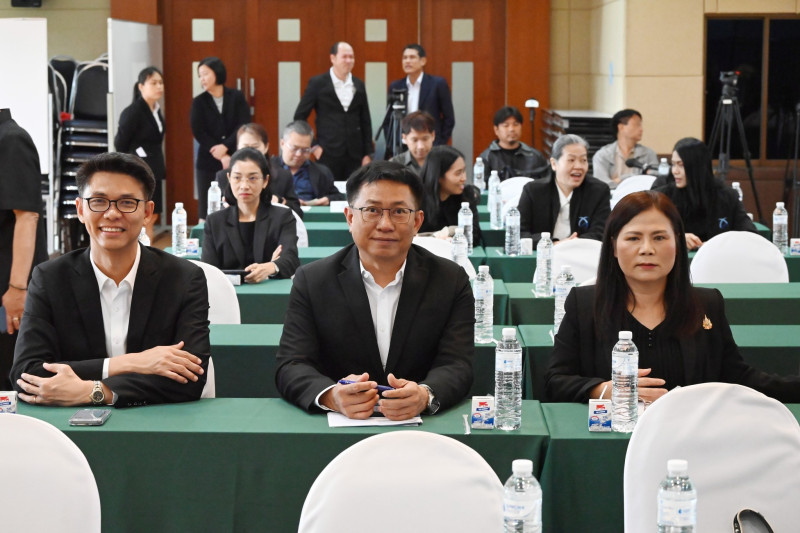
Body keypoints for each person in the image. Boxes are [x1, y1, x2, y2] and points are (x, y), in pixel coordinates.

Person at [545, 190, 800, 404]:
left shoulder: (706, 305)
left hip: (688, 439)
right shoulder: (584, 304)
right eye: (633, 238)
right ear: (613, 246)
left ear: (677, 243)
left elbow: (738, 378)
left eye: (659, 238)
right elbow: (556, 381)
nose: (647, 249)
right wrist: (604, 391)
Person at [275, 161, 474, 420]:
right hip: (339, 427)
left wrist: (424, 395)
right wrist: (332, 396)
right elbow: (291, 364)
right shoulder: (313, 281)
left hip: (423, 430)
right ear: (350, 217)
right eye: (372, 210)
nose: (385, 224)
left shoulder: (451, 280)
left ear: (417, 222)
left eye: (399, 211)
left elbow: (457, 364)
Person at [11, 152, 210, 407]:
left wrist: (94, 391)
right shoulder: (49, 279)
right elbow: (27, 374)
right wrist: (131, 363)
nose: (112, 213)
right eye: (99, 201)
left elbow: (191, 378)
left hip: (156, 423)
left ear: (148, 212)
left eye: (127, 203)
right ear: (80, 210)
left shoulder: (184, 279)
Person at [0, 108, 48, 391]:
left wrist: (18, 288)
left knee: (10, 382)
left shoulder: (11, 140)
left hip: (9, 288)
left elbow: (27, 216)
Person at [202, 148, 299, 281]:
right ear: (229, 179)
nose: (244, 185)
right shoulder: (215, 221)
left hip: (268, 292)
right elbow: (209, 270)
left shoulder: (282, 217)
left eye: (252, 178)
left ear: (265, 181)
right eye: (237, 178)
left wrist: (271, 267)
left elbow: (291, 260)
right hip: (228, 292)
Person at [654, 137, 756, 250]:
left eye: (681, 165)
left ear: (697, 167)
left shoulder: (726, 196)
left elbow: (750, 235)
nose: (675, 171)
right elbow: (648, 231)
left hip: (716, 258)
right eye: (673, 164)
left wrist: (719, 243)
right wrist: (677, 238)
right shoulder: (664, 196)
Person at [294, 42, 372, 181]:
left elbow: (365, 120)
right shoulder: (318, 83)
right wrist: (314, 146)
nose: (349, 61)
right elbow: (300, 116)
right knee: (328, 189)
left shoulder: (359, 84)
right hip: (327, 152)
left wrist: (367, 153)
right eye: (344, 57)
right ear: (333, 58)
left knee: (355, 189)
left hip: (355, 154)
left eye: (351, 57)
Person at [518, 134, 610, 243]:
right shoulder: (533, 191)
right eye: (571, 160)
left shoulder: (598, 191)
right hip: (544, 252)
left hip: (581, 251)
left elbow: (601, 233)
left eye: (583, 160)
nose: (579, 166)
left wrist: (571, 244)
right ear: (554, 164)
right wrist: (553, 243)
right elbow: (520, 233)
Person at [190, 56, 251, 220]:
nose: (202, 79)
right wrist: (219, 152)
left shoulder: (236, 97)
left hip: (235, 156)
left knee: (234, 202)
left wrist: (225, 147)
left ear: (217, 73)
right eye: (200, 76)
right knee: (206, 207)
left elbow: (243, 125)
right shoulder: (199, 102)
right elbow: (198, 131)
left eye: (205, 74)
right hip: (208, 160)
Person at [114, 66, 166, 242]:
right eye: (153, 83)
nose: (159, 86)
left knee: (153, 215)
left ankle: (147, 250)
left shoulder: (156, 110)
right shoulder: (133, 112)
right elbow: (120, 144)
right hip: (139, 171)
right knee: (144, 216)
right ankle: (140, 251)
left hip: (154, 169)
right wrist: (136, 157)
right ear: (141, 86)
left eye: (160, 83)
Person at [215, 123, 302, 218]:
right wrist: (227, 207)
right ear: (237, 147)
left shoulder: (283, 176)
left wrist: (280, 201)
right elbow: (214, 211)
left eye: (255, 147)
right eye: (245, 147)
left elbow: (298, 212)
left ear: (266, 147)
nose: (250, 152)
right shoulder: (223, 177)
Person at [386, 44, 454, 146]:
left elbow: (449, 118)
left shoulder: (437, 84)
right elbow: (388, 119)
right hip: (403, 145)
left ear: (423, 61)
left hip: (430, 144)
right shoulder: (396, 86)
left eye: (412, 57)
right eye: (405, 58)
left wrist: (439, 144)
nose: (407, 61)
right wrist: (394, 144)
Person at [419, 145, 482, 245]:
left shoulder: (466, 195)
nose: (464, 178)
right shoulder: (417, 199)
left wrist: (450, 232)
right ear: (439, 176)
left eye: (464, 171)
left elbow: (474, 235)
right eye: (458, 173)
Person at [277, 120, 345, 206]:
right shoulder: (269, 169)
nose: (299, 154)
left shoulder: (321, 172)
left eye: (305, 150)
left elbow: (338, 197)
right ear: (282, 143)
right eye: (295, 148)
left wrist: (327, 200)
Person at [592, 108, 658, 189]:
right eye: (637, 125)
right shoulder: (602, 155)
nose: (641, 129)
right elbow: (601, 185)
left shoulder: (648, 153)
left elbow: (654, 181)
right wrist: (632, 180)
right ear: (621, 127)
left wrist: (620, 179)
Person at [479, 106, 548, 181]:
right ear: (496, 130)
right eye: (506, 125)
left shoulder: (536, 157)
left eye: (516, 124)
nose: (511, 129)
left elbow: (545, 183)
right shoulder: (487, 158)